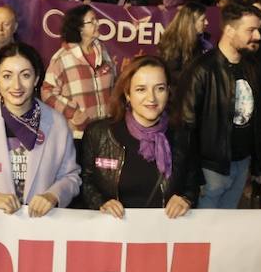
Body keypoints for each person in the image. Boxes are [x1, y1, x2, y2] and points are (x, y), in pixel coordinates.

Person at [0, 41, 80, 214]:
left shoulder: (57, 123)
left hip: (38, 229)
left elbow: (71, 176)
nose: (16, 86)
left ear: (37, 79)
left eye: (25, 75)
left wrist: (53, 195)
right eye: (7, 76)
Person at [179, 2, 261, 209]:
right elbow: (185, 128)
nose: (258, 36)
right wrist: (195, 178)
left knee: (225, 230)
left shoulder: (252, 67)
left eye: (259, 30)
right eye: (251, 30)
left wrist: (258, 165)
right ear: (230, 30)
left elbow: (259, 120)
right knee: (202, 235)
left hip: (242, 166)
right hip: (210, 171)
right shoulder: (201, 70)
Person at [80, 56, 197, 217]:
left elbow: (192, 185)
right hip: (113, 234)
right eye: (141, 89)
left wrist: (185, 199)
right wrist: (100, 203)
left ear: (168, 91)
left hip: (164, 234)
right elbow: (86, 181)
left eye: (160, 88)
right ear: (127, 94)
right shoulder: (98, 133)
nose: (152, 98)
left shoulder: (181, 136)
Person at [41, 4, 117, 141]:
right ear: (79, 29)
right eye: (92, 21)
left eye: (96, 19)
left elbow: (114, 84)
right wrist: (73, 113)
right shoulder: (62, 58)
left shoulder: (104, 52)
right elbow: (47, 93)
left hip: (106, 133)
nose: (97, 23)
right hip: (77, 135)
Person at [157, 1, 209, 83]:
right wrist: (197, 79)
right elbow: (170, 73)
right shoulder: (173, 43)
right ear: (191, 22)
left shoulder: (197, 42)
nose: (207, 23)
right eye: (202, 20)